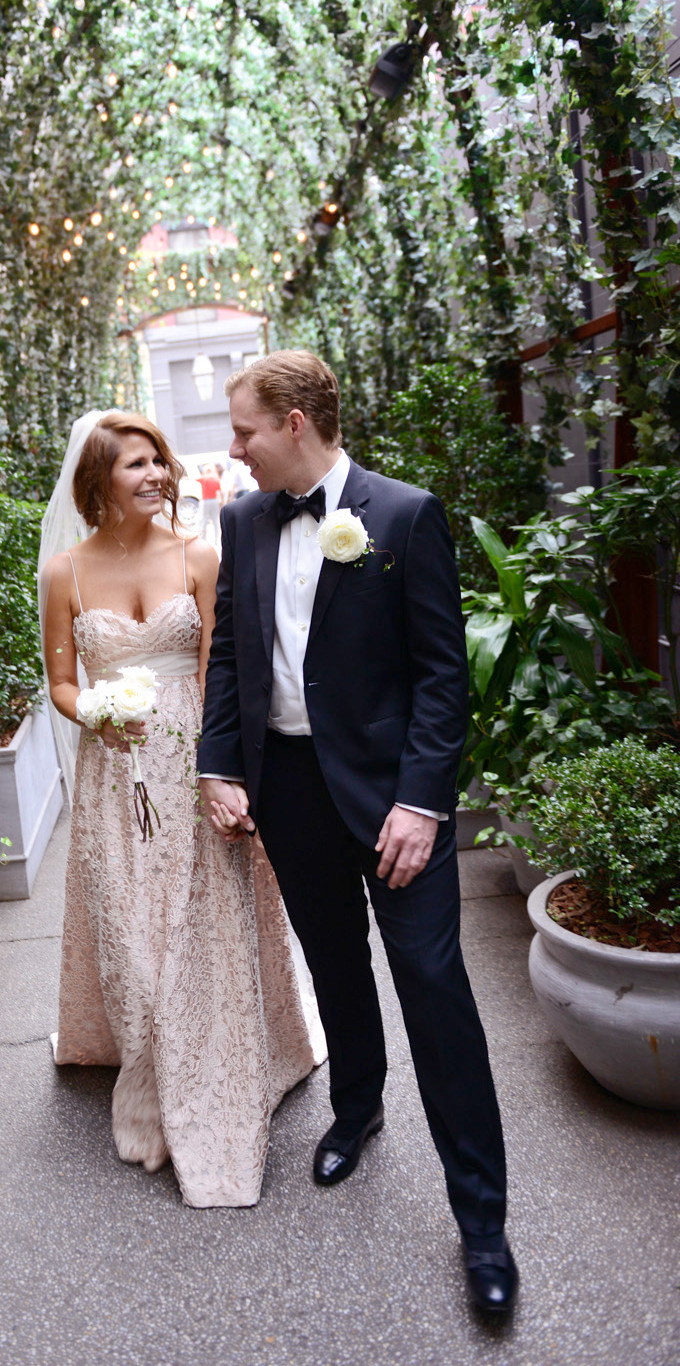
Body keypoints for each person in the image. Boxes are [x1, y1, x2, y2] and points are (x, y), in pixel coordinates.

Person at [197, 352, 516, 1310]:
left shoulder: (405, 515)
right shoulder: (244, 517)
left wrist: (422, 803)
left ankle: (484, 1227)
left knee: (432, 985)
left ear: (295, 423)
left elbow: (441, 678)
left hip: (393, 799)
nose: (234, 445)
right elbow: (230, 660)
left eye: (245, 428)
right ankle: (357, 1110)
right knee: (334, 963)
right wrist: (219, 764)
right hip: (288, 790)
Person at [39, 410, 325, 1208]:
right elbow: (61, 682)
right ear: (97, 481)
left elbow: (220, 675)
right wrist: (94, 709)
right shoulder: (64, 571)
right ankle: (148, 1061)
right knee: (133, 928)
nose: (158, 474)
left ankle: (217, 1070)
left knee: (202, 922)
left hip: (194, 763)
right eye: (137, 464)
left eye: (160, 460)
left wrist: (226, 773)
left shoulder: (200, 555)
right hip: (115, 772)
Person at [195, 462, 222, 548]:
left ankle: (203, 539)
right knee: (215, 520)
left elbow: (195, 478)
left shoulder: (204, 479)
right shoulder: (216, 479)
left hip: (205, 501)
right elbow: (219, 492)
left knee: (203, 520)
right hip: (214, 500)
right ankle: (217, 539)